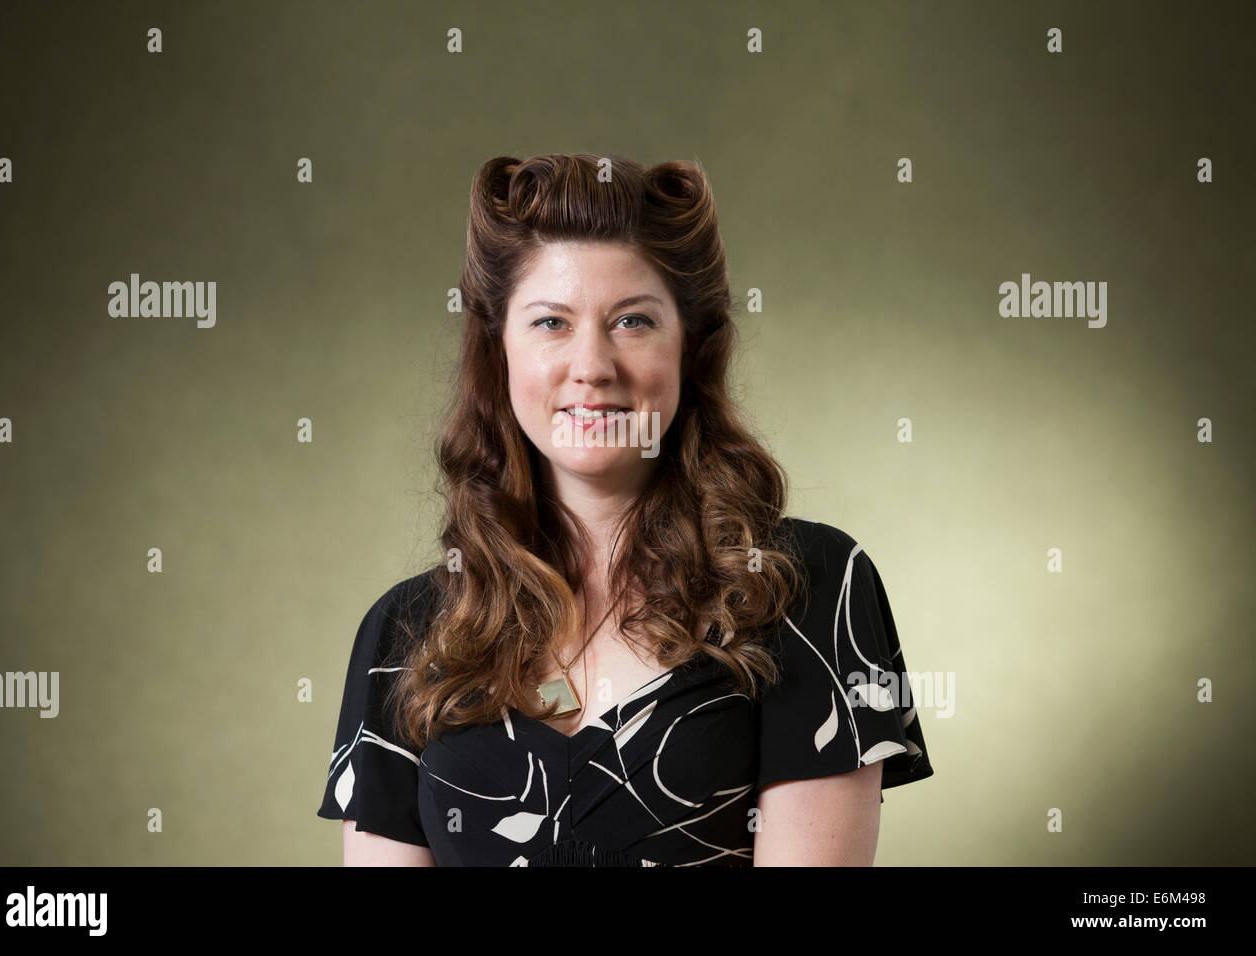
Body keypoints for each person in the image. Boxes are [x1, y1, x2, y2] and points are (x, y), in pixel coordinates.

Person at [317, 153, 933, 866]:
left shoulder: (807, 586)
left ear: (692, 348)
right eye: (551, 322)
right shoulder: (403, 636)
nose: (592, 366)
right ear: (498, 351)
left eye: (633, 321)